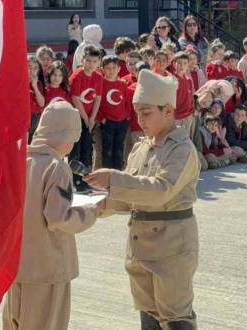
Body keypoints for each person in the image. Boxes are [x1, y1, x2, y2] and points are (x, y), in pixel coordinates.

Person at [85, 69, 201, 329]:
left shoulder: (181, 148)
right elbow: (131, 197)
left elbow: (161, 189)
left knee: (175, 316)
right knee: (148, 314)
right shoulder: (141, 148)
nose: (140, 119)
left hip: (171, 245)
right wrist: (96, 204)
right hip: (140, 244)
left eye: (146, 112)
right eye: (137, 112)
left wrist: (114, 179)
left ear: (168, 111)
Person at [3, 101, 99, 330]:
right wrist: (92, 211)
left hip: (16, 265)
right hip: (48, 267)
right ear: (66, 135)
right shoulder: (56, 167)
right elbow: (59, 217)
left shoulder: (18, 160)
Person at [69, 46, 103, 191]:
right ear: (83, 60)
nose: (90, 64)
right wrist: (85, 118)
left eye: (94, 61)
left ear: (98, 63)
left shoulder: (98, 77)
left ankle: (85, 181)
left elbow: (98, 98)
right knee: (76, 150)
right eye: (88, 61)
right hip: (77, 117)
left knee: (87, 150)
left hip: (90, 119)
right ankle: (75, 181)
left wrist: (93, 117)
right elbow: (76, 99)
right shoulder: (76, 76)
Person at [99, 55, 129, 170]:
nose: (111, 71)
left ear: (119, 69)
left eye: (114, 68)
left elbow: (126, 102)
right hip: (107, 122)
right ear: (103, 69)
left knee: (119, 149)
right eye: (108, 68)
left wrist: (126, 117)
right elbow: (97, 103)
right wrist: (102, 118)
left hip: (121, 121)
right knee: (107, 149)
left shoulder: (122, 84)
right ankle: (106, 173)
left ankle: (118, 172)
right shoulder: (101, 83)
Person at [28, 56, 46, 143]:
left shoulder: (38, 84)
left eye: (35, 68)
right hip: (25, 118)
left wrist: (34, 86)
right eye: (29, 67)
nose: (31, 71)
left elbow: (42, 103)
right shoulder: (20, 83)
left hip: (36, 118)